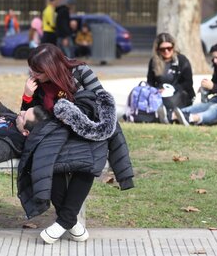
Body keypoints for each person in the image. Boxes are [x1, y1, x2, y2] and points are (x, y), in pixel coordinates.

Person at [18, 43, 134, 244]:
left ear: (52, 68)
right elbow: (28, 116)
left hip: (87, 131)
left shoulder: (80, 72)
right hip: (55, 133)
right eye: (32, 70)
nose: (34, 74)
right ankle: (71, 222)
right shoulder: (37, 84)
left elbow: (102, 102)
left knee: (86, 161)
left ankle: (63, 222)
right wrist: (27, 95)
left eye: (38, 71)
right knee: (48, 161)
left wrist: (74, 115)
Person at [146, 32, 195, 123]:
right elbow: (150, 82)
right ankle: (164, 115)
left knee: (170, 100)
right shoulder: (154, 61)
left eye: (169, 48)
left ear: (173, 47)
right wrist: (157, 90)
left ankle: (168, 115)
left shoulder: (182, 60)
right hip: (160, 93)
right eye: (163, 49)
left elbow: (188, 83)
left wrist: (172, 89)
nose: (166, 51)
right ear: (158, 50)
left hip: (179, 92)